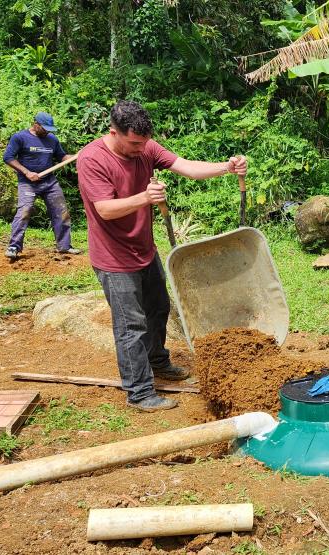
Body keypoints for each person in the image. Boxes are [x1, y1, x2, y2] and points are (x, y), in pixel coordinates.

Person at [76, 100, 247, 412]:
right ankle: (140, 392)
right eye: (134, 143)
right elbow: (104, 209)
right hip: (114, 259)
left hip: (145, 251)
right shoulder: (92, 159)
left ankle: (157, 362)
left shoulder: (145, 147)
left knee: (158, 310)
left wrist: (226, 167)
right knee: (131, 326)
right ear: (114, 132)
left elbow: (187, 168)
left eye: (145, 143)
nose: (142, 149)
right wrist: (145, 197)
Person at [3, 112, 81, 259]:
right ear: (36, 124)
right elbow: (8, 157)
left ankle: (64, 246)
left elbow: (62, 157)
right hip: (28, 183)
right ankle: (14, 246)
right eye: (45, 129)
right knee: (24, 211)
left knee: (61, 211)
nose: (47, 132)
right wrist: (27, 172)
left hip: (49, 182)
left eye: (49, 129)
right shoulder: (20, 137)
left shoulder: (52, 139)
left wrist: (78, 156)